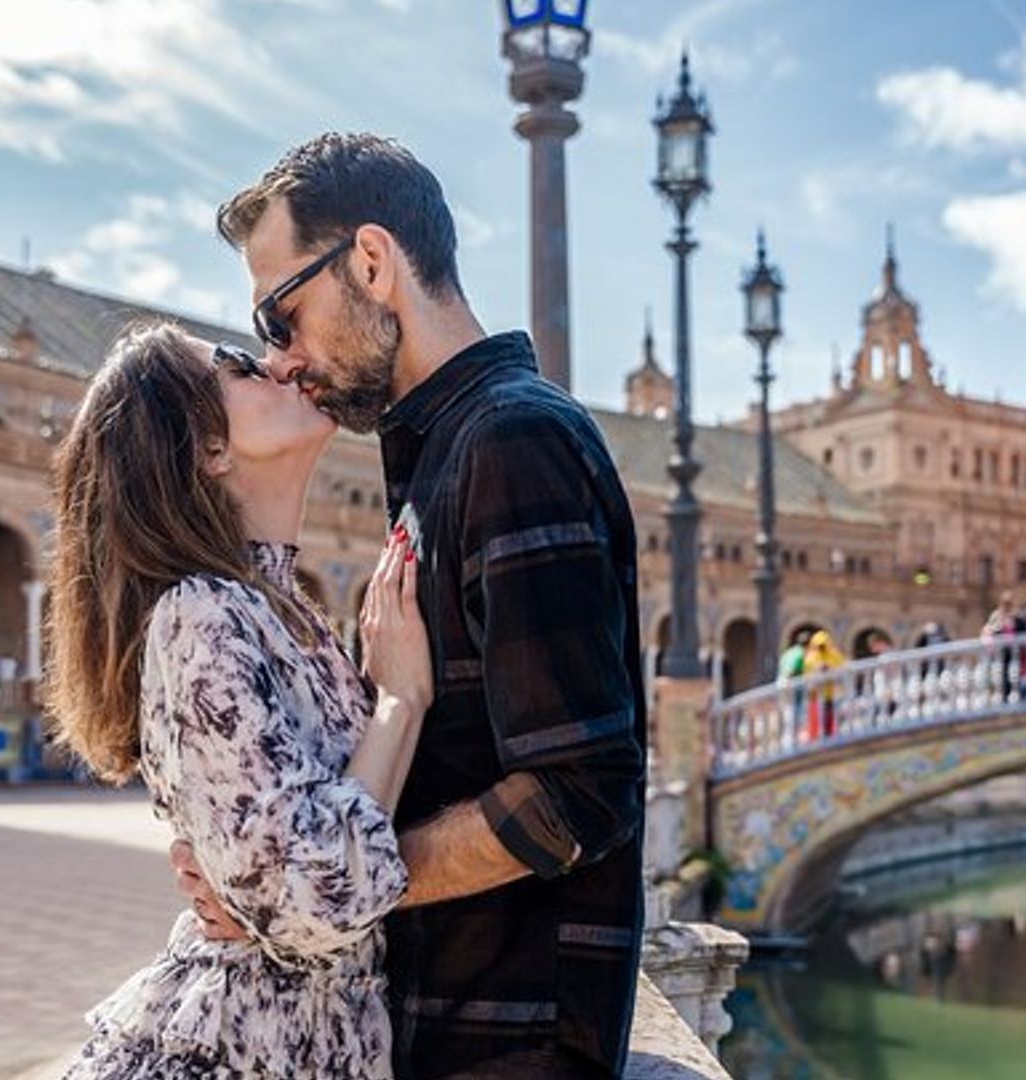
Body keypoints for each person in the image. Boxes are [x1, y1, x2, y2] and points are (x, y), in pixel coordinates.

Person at [183, 133, 648, 1079]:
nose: (281, 359)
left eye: (284, 316)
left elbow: (578, 793)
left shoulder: (512, 442)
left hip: (512, 1040)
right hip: (454, 1018)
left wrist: (325, 885)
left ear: (370, 261)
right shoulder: (443, 457)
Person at [45, 321, 429, 1079]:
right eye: (240, 366)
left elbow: (295, 863)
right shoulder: (202, 612)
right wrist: (401, 701)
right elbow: (310, 897)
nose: (284, 366)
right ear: (207, 450)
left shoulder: (278, 609)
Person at [799, 631, 848, 739]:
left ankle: (832, 736)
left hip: (833, 694)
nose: (821, 648)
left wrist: (830, 670)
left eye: (822, 645)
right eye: (818, 646)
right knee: (817, 719)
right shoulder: (811, 657)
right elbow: (807, 675)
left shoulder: (834, 654)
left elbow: (843, 668)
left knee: (833, 719)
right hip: (816, 695)